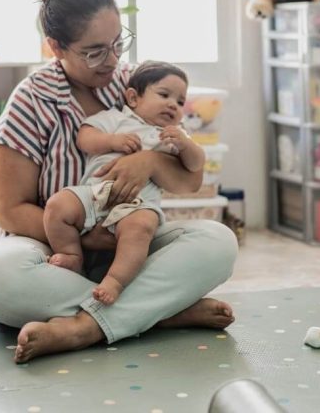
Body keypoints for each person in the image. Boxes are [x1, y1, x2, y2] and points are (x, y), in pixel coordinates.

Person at [0, 0, 238, 363]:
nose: (112, 61)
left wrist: (147, 162)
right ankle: (158, 312)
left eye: (118, 43)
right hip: (54, 245)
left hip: (131, 239)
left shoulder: (135, 87)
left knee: (219, 241)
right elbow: (10, 211)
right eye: (95, 52)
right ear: (55, 47)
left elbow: (186, 183)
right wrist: (82, 238)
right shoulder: (31, 100)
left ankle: (85, 326)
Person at [45, 61, 205, 305]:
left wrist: (186, 144)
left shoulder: (173, 134)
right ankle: (71, 254)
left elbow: (195, 166)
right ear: (133, 98)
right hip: (94, 193)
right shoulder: (115, 119)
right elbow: (85, 137)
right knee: (57, 206)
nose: (173, 104)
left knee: (140, 228)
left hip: (138, 205)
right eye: (164, 95)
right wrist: (112, 141)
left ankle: (116, 281)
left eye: (180, 101)